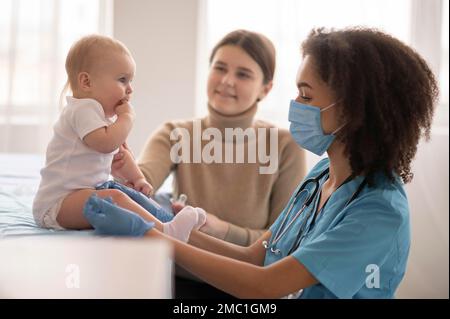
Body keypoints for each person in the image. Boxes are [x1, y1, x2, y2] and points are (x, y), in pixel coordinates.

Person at [88, 27, 439, 298]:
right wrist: (161, 220)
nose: (296, 104)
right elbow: (257, 255)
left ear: (353, 108)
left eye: (306, 94)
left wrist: (151, 236)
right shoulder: (323, 175)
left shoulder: (378, 210)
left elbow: (263, 285)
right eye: (220, 68)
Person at [114, 29, 307, 298]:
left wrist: (222, 229)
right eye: (220, 68)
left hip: (247, 289)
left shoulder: (286, 147)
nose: (227, 81)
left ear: (266, 88)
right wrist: (120, 163)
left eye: (243, 74)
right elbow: (138, 186)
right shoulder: (175, 132)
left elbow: (282, 244)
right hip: (180, 281)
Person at [32, 34, 205, 242]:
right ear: (86, 82)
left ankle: (168, 220)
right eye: (123, 80)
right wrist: (127, 118)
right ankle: (167, 231)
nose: (130, 89)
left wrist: (138, 178)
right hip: (57, 205)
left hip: (81, 196)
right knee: (114, 198)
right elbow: (106, 145)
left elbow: (119, 157)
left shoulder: (101, 119)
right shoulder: (82, 109)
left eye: (130, 81)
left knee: (124, 192)